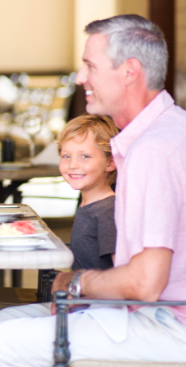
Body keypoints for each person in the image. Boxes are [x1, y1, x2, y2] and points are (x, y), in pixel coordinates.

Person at [0, 15, 186, 366]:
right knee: (5, 320)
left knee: (1, 343)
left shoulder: (154, 149)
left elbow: (145, 284)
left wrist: (76, 282)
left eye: (90, 66)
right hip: (170, 316)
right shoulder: (181, 126)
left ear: (129, 71)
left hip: (175, 327)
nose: (80, 77)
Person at [58, 114, 118, 271]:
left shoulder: (108, 212)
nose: (72, 165)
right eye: (66, 156)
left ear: (110, 162)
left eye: (85, 156)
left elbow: (120, 271)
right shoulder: (90, 205)